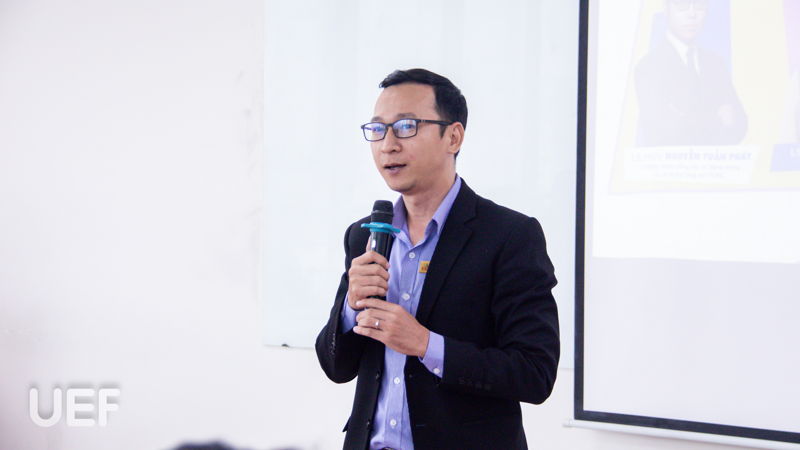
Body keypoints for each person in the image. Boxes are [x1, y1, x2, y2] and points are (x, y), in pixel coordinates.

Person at [315, 68, 559, 450]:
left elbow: (534, 373)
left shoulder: (509, 236)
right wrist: (349, 309)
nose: (388, 145)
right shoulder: (365, 235)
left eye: (406, 126)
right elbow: (336, 367)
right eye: (377, 129)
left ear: (453, 137)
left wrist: (426, 344)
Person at [635, 0, 748, 146]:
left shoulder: (715, 63)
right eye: (682, 5)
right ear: (666, 9)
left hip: (715, 159)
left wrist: (689, 120)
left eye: (699, 5)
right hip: (673, 160)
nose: (692, 14)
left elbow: (739, 124)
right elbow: (661, 131)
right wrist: (716, 120)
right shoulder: (648, 67)